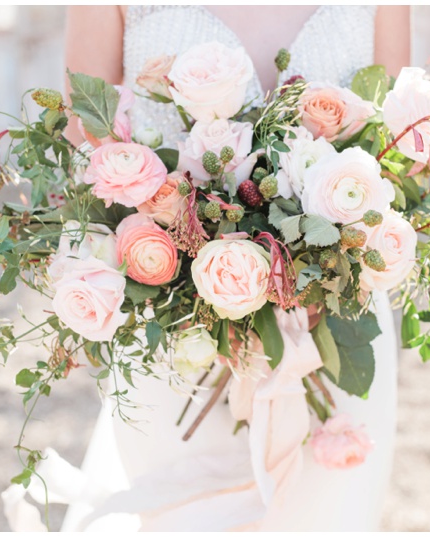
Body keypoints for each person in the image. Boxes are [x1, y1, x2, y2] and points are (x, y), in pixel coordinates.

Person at [57, 6, 410, 531]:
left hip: (332, 327)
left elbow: (397, 145)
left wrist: (308, 277)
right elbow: (83, 139)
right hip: (167, 330)